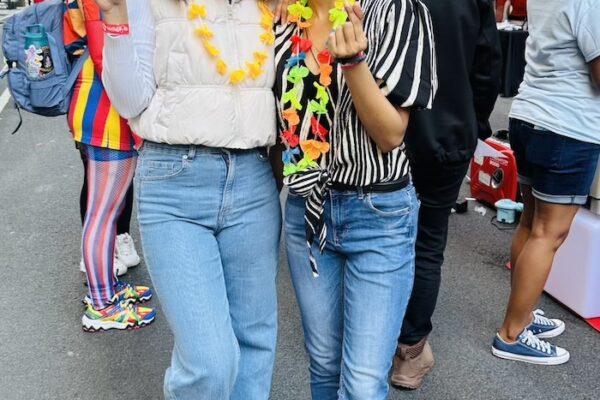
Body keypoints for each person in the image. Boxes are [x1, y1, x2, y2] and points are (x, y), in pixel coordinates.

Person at [95, 0, 288, 398]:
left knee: (254, 345)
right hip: (174, 181)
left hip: (253, 180)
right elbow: (131, 101)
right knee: (210, 363)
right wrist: (114, 16)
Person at [273, 1, 436, 398]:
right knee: (325, 363)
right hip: (307, 213)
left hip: (378, 213)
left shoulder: (398, 11)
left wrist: (353, 63)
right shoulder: (283, 13)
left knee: (362, 383)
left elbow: (391, 133)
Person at [391, 0, 502, 389]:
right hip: (448, 131)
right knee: (428, 242)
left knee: (377, 236)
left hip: (383, 130)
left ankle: (365, 340)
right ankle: (409, 350)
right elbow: (487, 64)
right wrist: (476, 122)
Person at [492, 0, 600, 365]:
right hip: (568, 127)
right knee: (548, 234)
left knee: (531, 223)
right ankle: (512, 333)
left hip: (529, 116)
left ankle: (521, 315)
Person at [63, 0, 155, 332]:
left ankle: (107, 292)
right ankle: (102, 304)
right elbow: (105, 55)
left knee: (105, 210)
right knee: (103, 212)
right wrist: (136, 121)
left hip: (100, 108)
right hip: (108, 114)